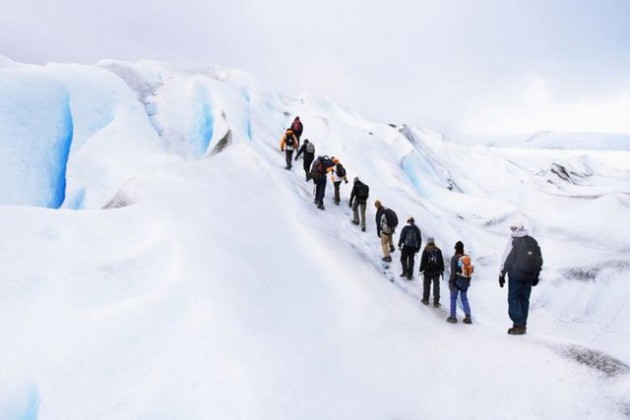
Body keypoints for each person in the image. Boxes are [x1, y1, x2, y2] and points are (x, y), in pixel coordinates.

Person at [499, 221, 543, 335]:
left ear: (516, 229)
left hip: (516, 276)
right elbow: (539, 260)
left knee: (513, 299)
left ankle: (518, 324)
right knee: (524, 300)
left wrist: (502, 274)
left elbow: (506, 258)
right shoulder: (533, 241)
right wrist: (536, 276)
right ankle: (522, 324)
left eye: (513, 228)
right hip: (529, 277)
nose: (512, 230)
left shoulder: (514, 241)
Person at [447, 241, 472, 324]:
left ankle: (453, 317)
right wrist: (468, 282)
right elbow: (470, 271)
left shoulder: (454, 258)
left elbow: (453, 272)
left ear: (456, 249)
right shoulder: (467, 257)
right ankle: (468, 316)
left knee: (453, 298)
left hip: (457, 281)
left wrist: (451, 282)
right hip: (466, 281)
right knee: (464, 298)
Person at [419, 237, 445, 307]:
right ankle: (436, 302)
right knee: (436, 287)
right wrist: (442, 269)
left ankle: (425, 300)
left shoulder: (426, 250)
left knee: (427, 286)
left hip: (427, 272)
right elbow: (441, 261)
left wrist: (421, 269)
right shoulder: (438, 250)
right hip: (437, 272)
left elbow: (423, 261)